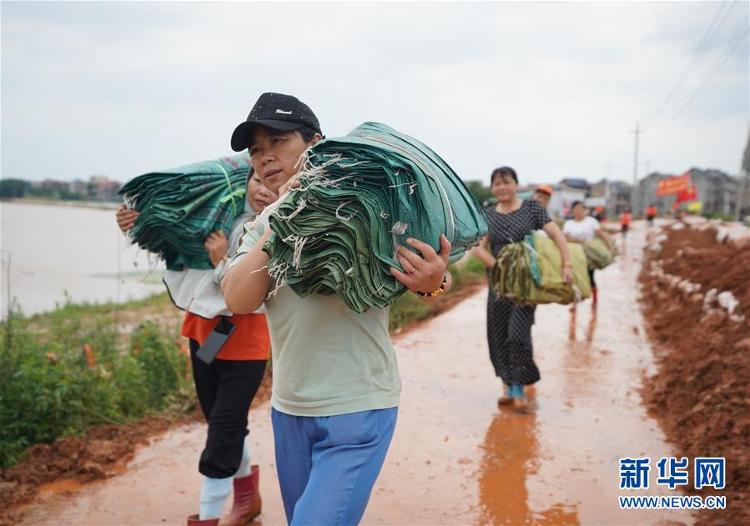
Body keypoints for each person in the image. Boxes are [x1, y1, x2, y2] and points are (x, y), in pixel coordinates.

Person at [221, 92, 452, 525]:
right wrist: (287, 215)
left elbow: (435, 267)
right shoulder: (262, 224)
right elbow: (238, 298)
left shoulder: (362, 205)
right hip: (290, 410)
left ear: (316, 143)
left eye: (278, 141)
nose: (266, 157)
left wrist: (435, 282)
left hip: (358, 406)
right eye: (256, 151)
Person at [117, 169, 276, 526]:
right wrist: (132, 222)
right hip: (203, 334)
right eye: (256, 181)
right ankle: (247, 497)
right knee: (222, 424)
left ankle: (207, 518)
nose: (263, 191)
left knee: (222, 431)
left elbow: (254, 294)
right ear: (244, 182)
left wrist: (222, 260)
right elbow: (168, 236)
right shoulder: (214, 214)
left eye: (271, 185)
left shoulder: (273, 228)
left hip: (246, 342)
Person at [472, 166, 572, 412]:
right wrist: (500, 266)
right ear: (493, 188)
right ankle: (507, 384)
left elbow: (557, 236)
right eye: (497, 183)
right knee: (497, 335)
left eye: (507, 182)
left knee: (517, 334)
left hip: (525, 285)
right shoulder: (487, 215)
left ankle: (518, 386)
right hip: (498, 284)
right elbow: (478, 248)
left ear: (516, 184)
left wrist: (566, 263)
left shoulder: (532, 209)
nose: (502, 187)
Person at [563, 200, 614, 305]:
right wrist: (577, 241)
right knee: (575, 277)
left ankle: (594, 300)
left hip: (588, 255)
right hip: (574, 255)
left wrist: (609, 247)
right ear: (572, 211)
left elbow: (601, 234)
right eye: (576, 209)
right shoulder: (568, 224)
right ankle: (574, 302)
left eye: (580, 209)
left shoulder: (591, 221)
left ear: (584, 210)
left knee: (590, 276)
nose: (578, 211)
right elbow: (564, 238)